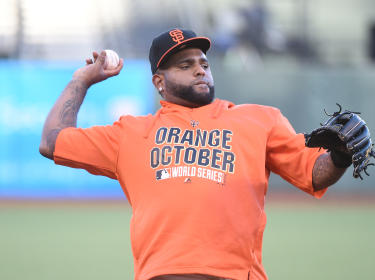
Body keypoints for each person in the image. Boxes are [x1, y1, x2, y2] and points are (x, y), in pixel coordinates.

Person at [39, 28, 347, 280]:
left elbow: (314, 174)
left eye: (203, 63)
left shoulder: (259, 119)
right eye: (185, 66)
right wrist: (81, 81)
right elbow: (53, 142)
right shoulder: (130, 133)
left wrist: (340, 156)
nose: (199, 70)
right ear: (159, 82)